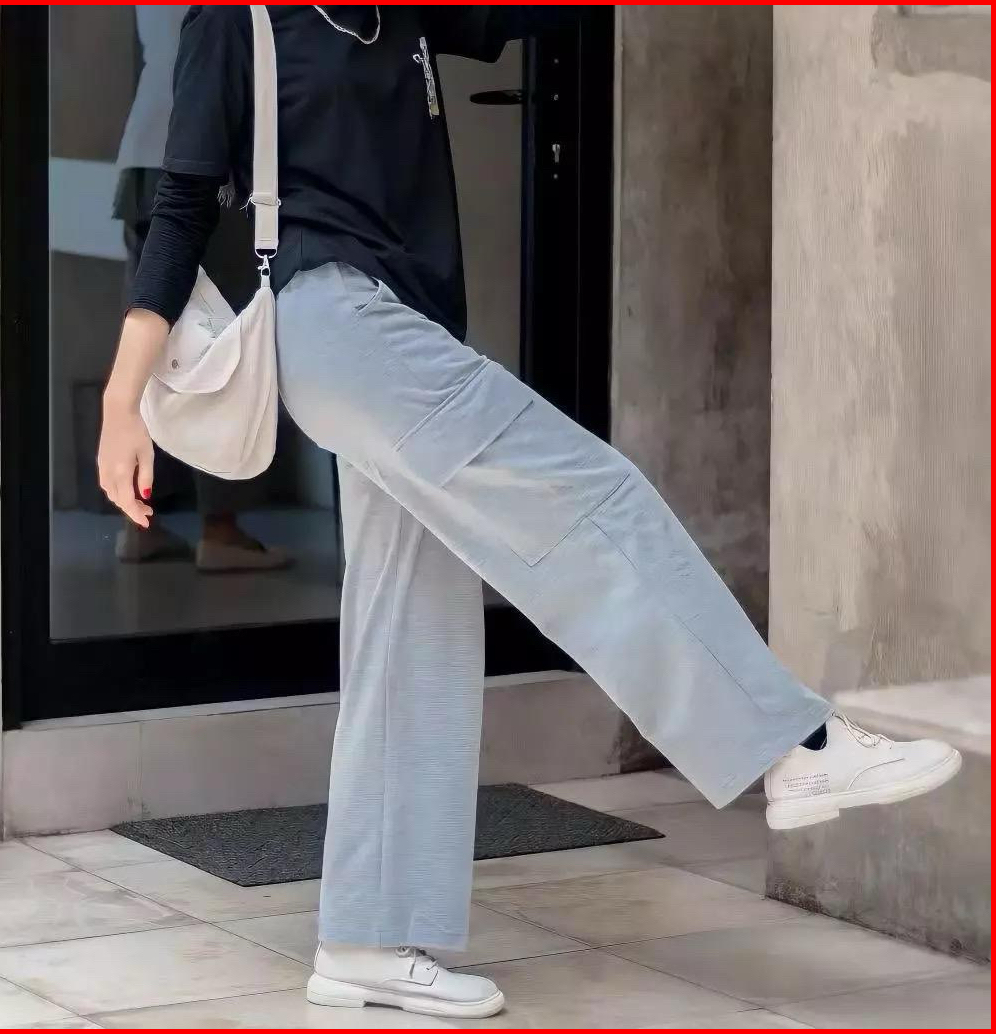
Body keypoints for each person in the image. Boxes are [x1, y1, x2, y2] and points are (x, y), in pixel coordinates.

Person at [97, 6, 961, 1020]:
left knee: (410, 623)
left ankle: (364, 939)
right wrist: (123, 402)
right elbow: (182, 205)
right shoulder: (235, 18)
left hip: (405, 327)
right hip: (332, 321)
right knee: (585, 496)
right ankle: (790, 745)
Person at [112, 4, 289, 573]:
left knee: (150, 330)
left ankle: (137, 518)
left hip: (142, 150)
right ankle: (221, 527)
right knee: (223, 339)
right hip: (201, 155)